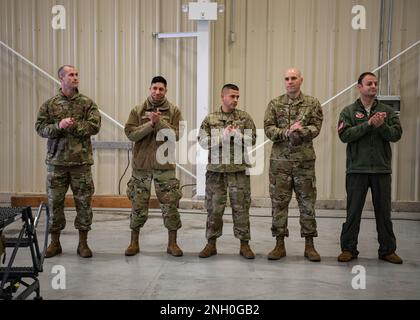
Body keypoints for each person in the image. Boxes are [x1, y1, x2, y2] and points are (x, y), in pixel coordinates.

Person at [35, 65, 101, 258]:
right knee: (55, 203)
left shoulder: (87, 103)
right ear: (61, 78)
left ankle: (83, 244)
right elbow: (40, 128)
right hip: (57, 164)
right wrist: (59, 126)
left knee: (84, 204)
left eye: (76, 75)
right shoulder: (50, 105)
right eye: (71, 75)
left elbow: (94, 126)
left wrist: (74, 126)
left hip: (81, 164)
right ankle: (55, 243)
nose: (75, 78)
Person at [337, 72, 403, 264]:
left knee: (384, 213)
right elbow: (344, 135)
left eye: (375, 83)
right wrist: (368, 124)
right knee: (353, 212)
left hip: (381, 170)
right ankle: (348, 249)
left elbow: (396, 135)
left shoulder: (387, 112)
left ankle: (387, 250)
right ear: (359, 87)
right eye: (369, 84)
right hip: (357, 170)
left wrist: (381, 125)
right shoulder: (348, 112)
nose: (373, 86)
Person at [264, 68, 323, 262]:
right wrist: (285, 133)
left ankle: (309, 246)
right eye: (287, 78)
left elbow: (317, 127)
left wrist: (302, 129)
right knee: (279, 204)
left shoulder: (312, 103)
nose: (290, 81)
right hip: (280, 164)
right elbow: (268, 128)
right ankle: (279, 245)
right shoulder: (275, 103)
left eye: (293, 78)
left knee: (307, 204)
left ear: (301, 80)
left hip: (303, 163)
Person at [124, 76, 183, 257]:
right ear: (150, 89)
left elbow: (176, 136)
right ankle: (134, 242)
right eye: (154, 88)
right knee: (138, 205)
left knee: (170, 206)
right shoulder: (137, 110)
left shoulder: (174, 111)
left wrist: (160, 122)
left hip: (164, 168)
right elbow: (131, 134)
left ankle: (172, 244)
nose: (157, 92)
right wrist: (150, 124)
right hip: (141, 167)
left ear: (166, 91)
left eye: (161, 89)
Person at [198, 84, 257, 259]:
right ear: (222, 97)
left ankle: (244, 244)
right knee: (214, 210)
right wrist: (221, 138)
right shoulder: (211, 119)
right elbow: (202, 141)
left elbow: (253, 139)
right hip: (216, 173)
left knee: (241, 209)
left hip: (238, 171)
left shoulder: (244, 118)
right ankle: (211, 244)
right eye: (232, 96)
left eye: (237, 97)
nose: (235, 100)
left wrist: (238, 136)